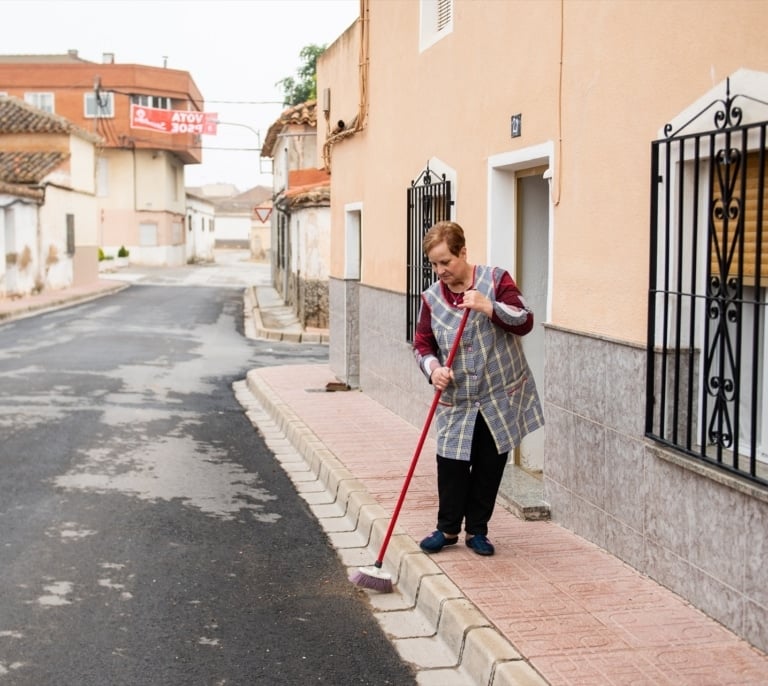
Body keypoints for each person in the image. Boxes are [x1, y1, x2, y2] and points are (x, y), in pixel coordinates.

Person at [412, 220, 544, 556]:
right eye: (434, 264)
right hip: (458, 399)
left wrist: (488, 306)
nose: (440, 270)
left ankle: (477, 531)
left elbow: (525, 320)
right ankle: (447, 530)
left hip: (499, 395)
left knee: (489, 463)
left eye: (446, 262)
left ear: (463, 253)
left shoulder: (496, 280)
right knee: (452, 464)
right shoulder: (431, 299)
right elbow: (422, 344)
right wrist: (434, 369)